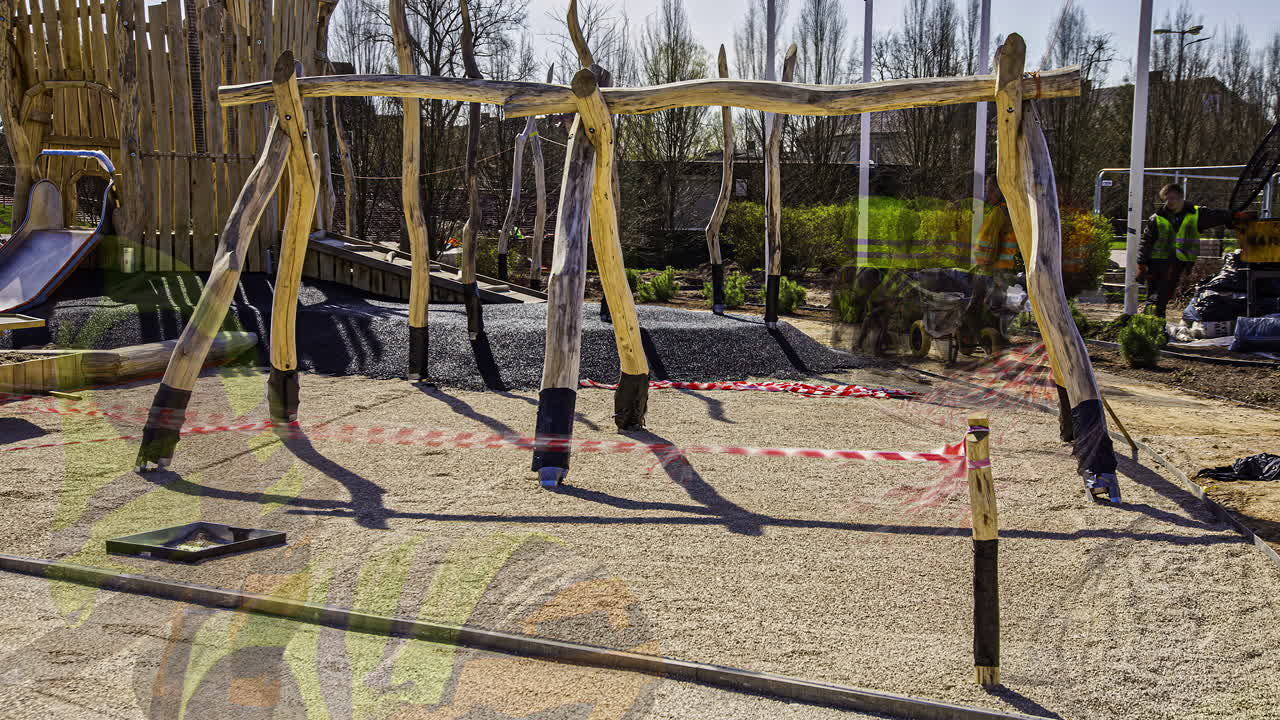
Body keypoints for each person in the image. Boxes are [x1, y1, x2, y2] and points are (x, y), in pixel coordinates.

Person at [1137, 184, 1235, 319]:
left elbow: (1218, 216)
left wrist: (1234, 216)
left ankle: (1152, 322)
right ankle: (1152, 322)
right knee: (1157, 294)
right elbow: (1146, 241)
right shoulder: (1156, 218)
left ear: (1181, 198)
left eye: (1173, 198)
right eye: (1167, 199)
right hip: (1157, 261)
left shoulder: (1196, 214)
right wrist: (1141, 263)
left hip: (1179, 261)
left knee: (1163, 294)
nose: (1169, 202)